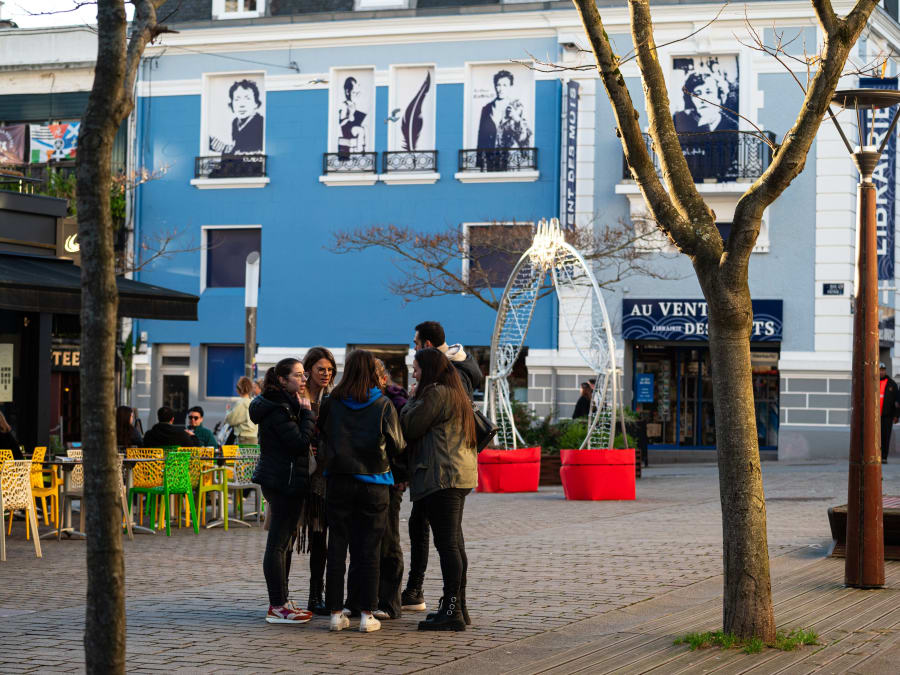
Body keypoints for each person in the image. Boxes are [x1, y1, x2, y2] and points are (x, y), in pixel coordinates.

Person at [317, 349, 405, 633]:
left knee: (336, 547)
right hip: (374, 482)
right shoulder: (383, 404)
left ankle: (335, 612)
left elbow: (321, 434)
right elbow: (397, 444)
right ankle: (368, 614)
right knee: (369, 549)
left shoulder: (332, 402)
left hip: (338, 480)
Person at [403, 321, 483, 612]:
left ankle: (452, 609)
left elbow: (410, 426)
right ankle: (457, 607)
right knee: (452, 542)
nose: (414, 374)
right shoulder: (455, 388)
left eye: (416, 369)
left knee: (448, 544)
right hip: (456, 472)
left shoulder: (437, 393)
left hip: (444, 475)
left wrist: (411, 400)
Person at [249, 358, 317, 625]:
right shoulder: (278, 408)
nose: (303, 380)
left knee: (281, 542)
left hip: (285, 480)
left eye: (304, 375)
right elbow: (298, 443)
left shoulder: (282, 404)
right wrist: (308, 414)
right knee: (277, 545)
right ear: (282, 379)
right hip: (282, 482)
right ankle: (277, 606)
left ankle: (282, 602)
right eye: (298, 375)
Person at [300, 346, 337, 616]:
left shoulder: (332, 399)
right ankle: (281, 598)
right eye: (320, 369)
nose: (326, 374)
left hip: (322, 477)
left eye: (330, 370)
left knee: (319, 536)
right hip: (297, 474)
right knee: (289, 537)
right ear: (309, 370)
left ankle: (316, 595)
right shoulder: (297, 397)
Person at [209, 79, 264, 155]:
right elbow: (237, 148)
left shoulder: (261, 123)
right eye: (237, 99)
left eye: (247, 99)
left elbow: (253, 153)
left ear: (256, 103)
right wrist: (221, 147)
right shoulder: (235, 122)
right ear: (232, 104)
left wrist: (225, 149)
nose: (242, 105)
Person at [225, 376, 258, 445]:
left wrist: (227, 412)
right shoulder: (253, 401)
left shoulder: (241, 403)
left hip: (245, 437)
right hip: (254, 436)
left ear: (239, 389)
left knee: (244, 452)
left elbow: (231, 420)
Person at [880, 362, 899, 464]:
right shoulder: (872, 382)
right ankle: (875, 456)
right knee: (874, 438)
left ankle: (884, 457)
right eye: (879, 370)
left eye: (883, 370)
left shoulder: (892, 384)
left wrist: (896, 415)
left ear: (885, 371)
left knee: (885, 437)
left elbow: (897, 402)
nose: (881, 372)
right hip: (874, 417)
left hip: (887, 416)